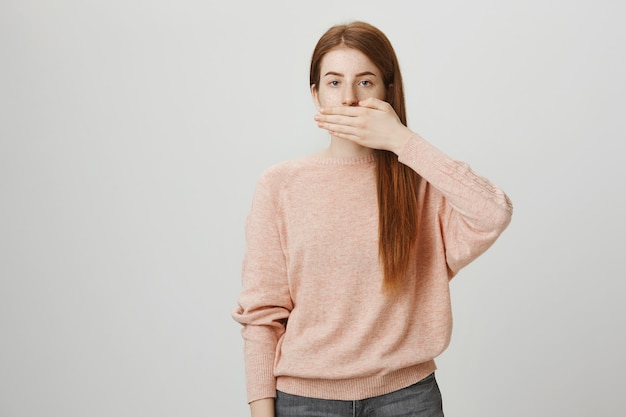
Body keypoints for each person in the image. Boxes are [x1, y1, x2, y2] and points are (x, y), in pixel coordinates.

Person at [232, 20, 512, 417]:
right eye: (333, 83)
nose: (348, 98)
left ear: (387, 92)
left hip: (407, 397)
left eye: (365, 82)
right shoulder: (280, 184)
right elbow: (261, 315)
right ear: (315, 94)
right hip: (306, 400)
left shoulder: (421, 184)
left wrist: (402, 140)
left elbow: (494, 212)